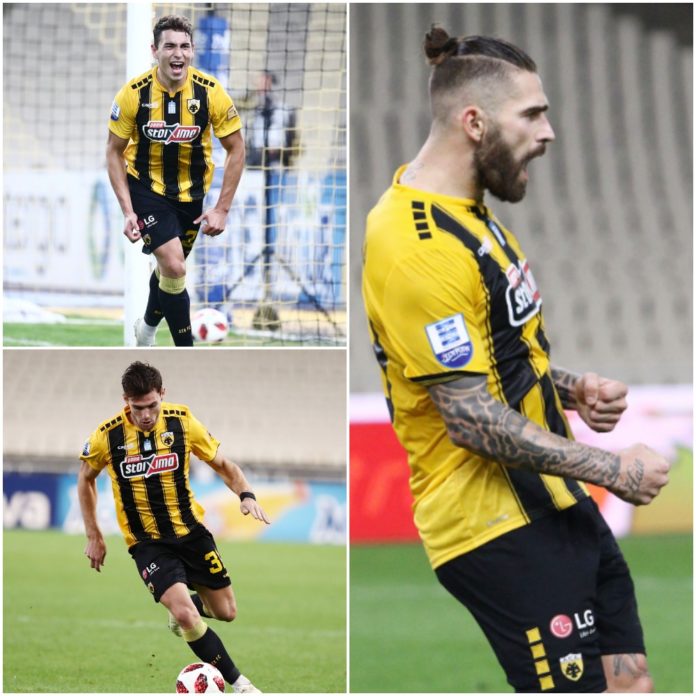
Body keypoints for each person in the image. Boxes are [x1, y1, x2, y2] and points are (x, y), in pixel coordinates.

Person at [361, 26, 671, 693]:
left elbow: (496, 356)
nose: (549, 132)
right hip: (493, 524)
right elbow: (469, 417)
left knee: (629, 682)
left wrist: (570, 388)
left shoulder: (470, 215)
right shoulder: (416, 245)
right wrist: (613, 468)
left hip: (552, 500)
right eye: (532, 114)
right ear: (474, 122)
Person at [78, 361, 269, 693]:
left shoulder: (183, 422)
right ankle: (242, 685)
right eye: (138, 407)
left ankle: (188, 604)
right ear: (126, 401)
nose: (146, 414)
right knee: (185, 616)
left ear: (162, 394)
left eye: (152, 405)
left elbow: (224, 466)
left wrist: (246, 494)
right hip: (147, 543)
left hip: (191, 532)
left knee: (226, 612)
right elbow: (85, 479)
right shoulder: (107, 436)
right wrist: (94, 534)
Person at [106, 15, 245, 347]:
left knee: (169, 271)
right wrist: (128, 211)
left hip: (191, 195)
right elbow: (113, 152)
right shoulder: (133, 94)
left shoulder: (210, 93)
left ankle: (146, 330)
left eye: (184, 46)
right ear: (155, 50)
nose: (178, 54)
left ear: (193, 50)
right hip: (146, 187)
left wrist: (222, 209)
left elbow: (237, 147)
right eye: (169, 46)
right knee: (174, 265)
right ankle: (186, 351)